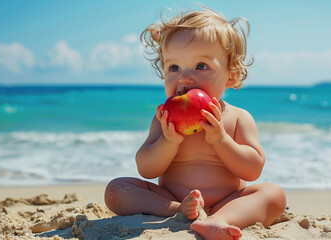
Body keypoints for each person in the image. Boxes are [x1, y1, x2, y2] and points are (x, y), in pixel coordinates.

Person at [104, 6, 286, 240]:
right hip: (172, 198)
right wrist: (168, 142)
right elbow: (147, 169)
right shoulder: (165, 119)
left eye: (201, 66)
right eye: (174, 67)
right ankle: (177, 212)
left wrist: (221, 140)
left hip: (226, 201)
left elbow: (252, 170)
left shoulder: (238, 118)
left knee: (274, 194)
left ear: (231, 74)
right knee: (117, 189)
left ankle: (220, 219)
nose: (184, 78)